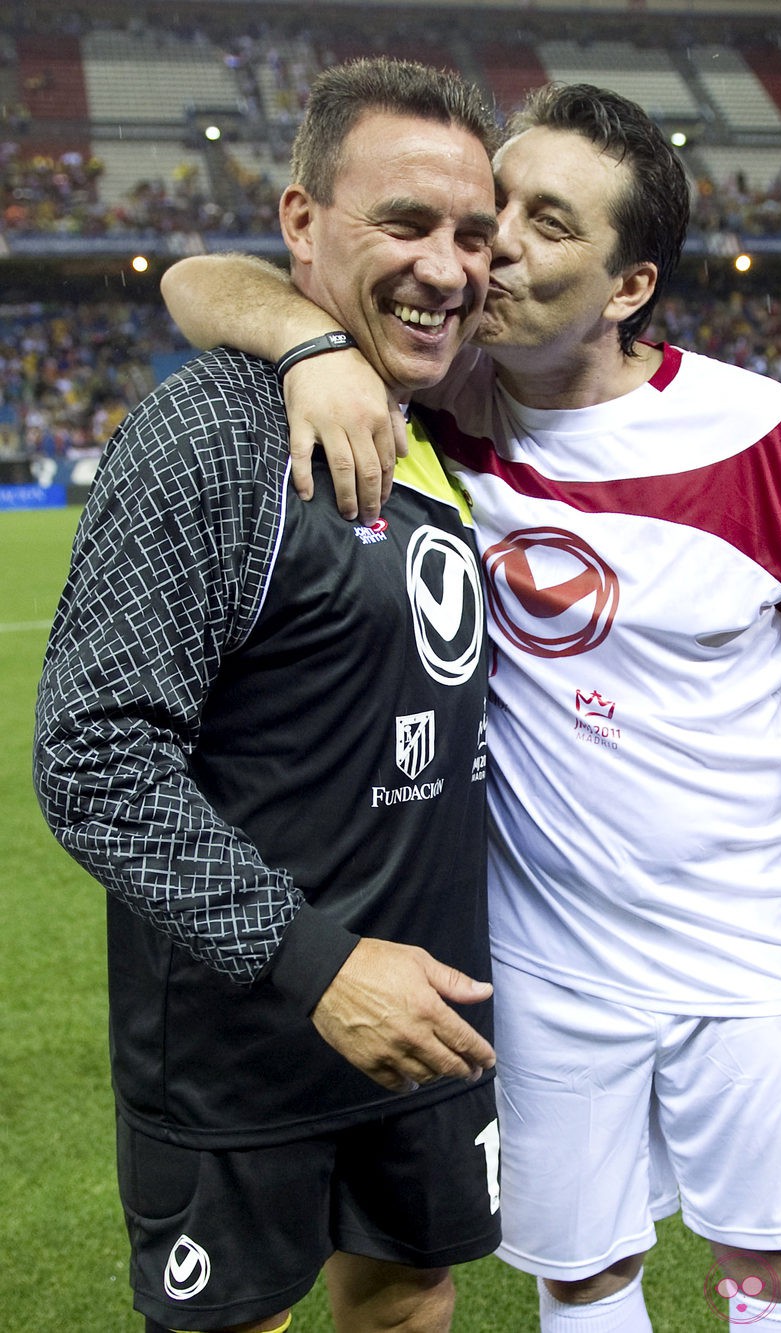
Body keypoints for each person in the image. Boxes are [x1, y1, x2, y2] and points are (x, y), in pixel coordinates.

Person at [161, 83, 781, 1333]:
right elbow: (198, 280)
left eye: (546, 222)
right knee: (576, 1277)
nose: (494, 241)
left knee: (778, 1265)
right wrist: (304, 345)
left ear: (628, 286)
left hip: (738, 948)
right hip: (534, 963)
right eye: (493, 202)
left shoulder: (764, 438)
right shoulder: (436, 398)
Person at [33, 57, 505, 1333]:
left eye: (472, 234)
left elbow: (204, 279)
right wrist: (317, 963)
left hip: (431, 1023)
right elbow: (93, 760)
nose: (447, 267)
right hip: (247, 1040)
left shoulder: (457, 425)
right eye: (403, 224)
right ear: (301, 223)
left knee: (411, 1297)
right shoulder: (211, 437)